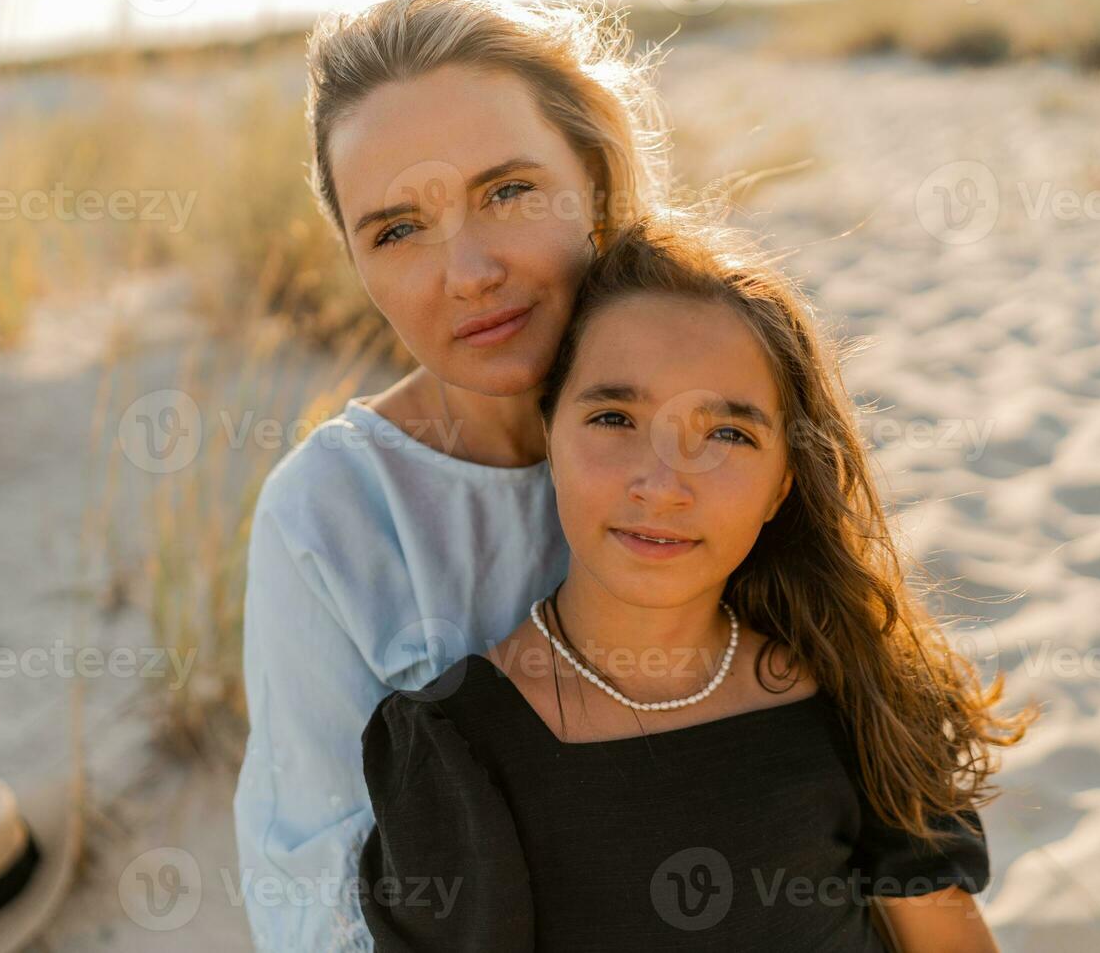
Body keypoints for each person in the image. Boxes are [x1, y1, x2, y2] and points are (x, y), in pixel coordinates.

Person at [357, 214, 1040, 951]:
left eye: (726, 435)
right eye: (616, 417)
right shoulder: (458, 751)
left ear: (784, 482)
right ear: (549, 434)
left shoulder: (856, 688)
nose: (663, 485)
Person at [232, 0, 672, 951]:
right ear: (354, 261)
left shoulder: (721, 401)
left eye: (507, 191)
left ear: (591, 177)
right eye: (397, 231)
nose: (468, 271)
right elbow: (316, 912)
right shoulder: (329, 519)